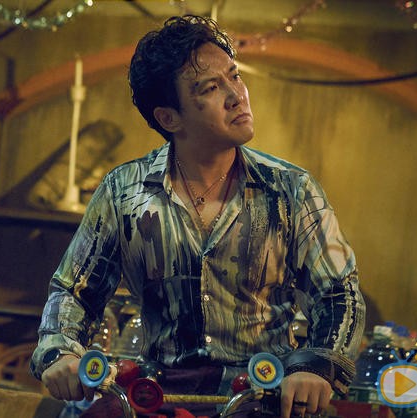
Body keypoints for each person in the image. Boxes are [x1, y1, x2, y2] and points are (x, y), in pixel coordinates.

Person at [30, 15, 365, 418]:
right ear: (169, 118)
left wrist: (316, 366)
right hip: (157, 391)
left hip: (261, 393)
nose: (236, 95)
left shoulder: (290, 189)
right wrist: (61, 351)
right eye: (210, 87)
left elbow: (337, 293)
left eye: (234, 76)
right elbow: (74, 291)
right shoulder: (124, 191)